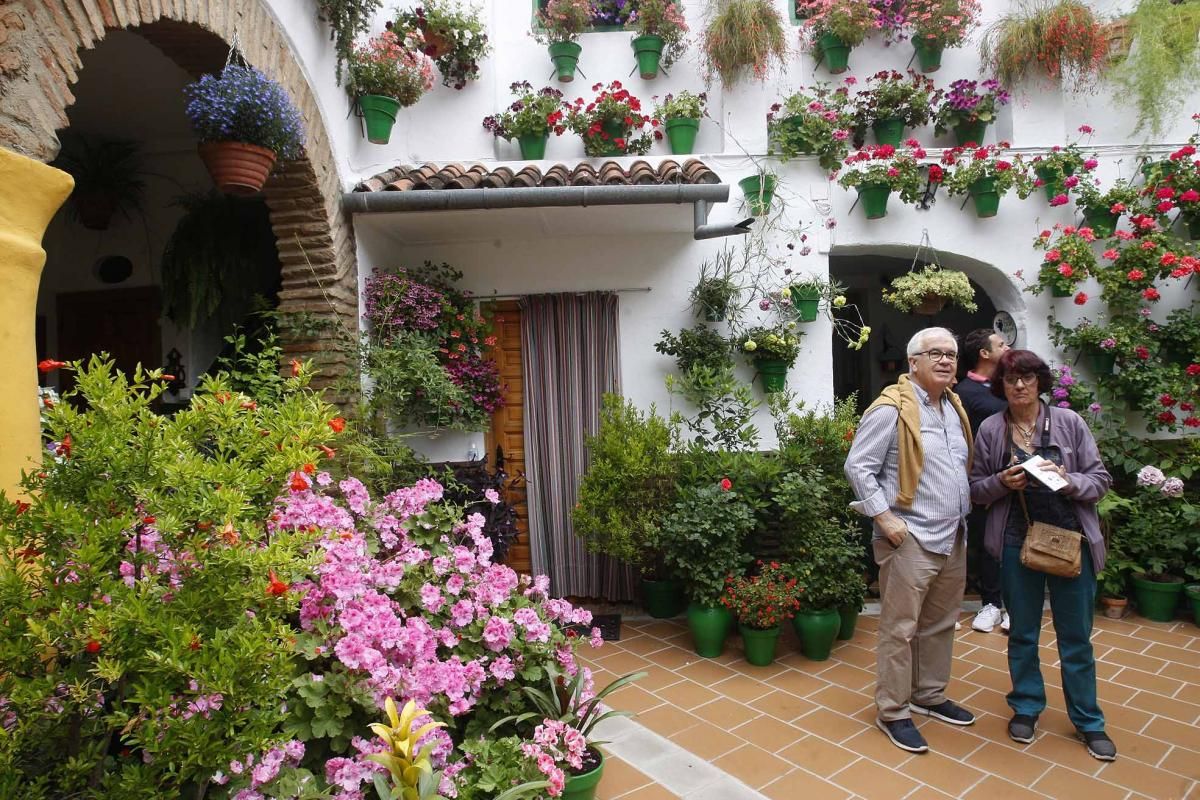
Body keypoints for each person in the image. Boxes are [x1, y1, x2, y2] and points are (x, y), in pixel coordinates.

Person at [968, 349, 1117, 761]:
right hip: (1017, 542)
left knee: (1075, 639)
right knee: (1023, 633)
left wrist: (1069, 482)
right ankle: (1027, 707)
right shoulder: (991, 430)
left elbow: (1100, 480)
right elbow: (976, 489)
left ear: (1040, 383)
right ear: (1001, 384)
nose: (1019, 385)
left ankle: (1089, 721)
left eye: (1028, 378)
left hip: (1072, 544)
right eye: (1011, 378)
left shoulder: (1069, 423)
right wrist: (1001, 481)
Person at [845, 327, 976, 754]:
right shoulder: (891, 410)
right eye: (934, 353)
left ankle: (930, 695)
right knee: (899, 630)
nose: (944, 360)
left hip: (953, 534)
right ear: (913, 362)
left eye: (951, 355)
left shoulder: (954, 409)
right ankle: (893, 711)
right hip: (910, 537)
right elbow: (858, 467)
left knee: (940, 624)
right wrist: (885, 519)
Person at [956, 329, 1010, 633]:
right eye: (1001, 344)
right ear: (984, 354)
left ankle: (1014, 605)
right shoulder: (965, 392)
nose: (1008, 346)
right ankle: (990, 604)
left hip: (1019, 476)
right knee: (988, 543)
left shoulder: (1009, 385)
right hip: (982, 480)